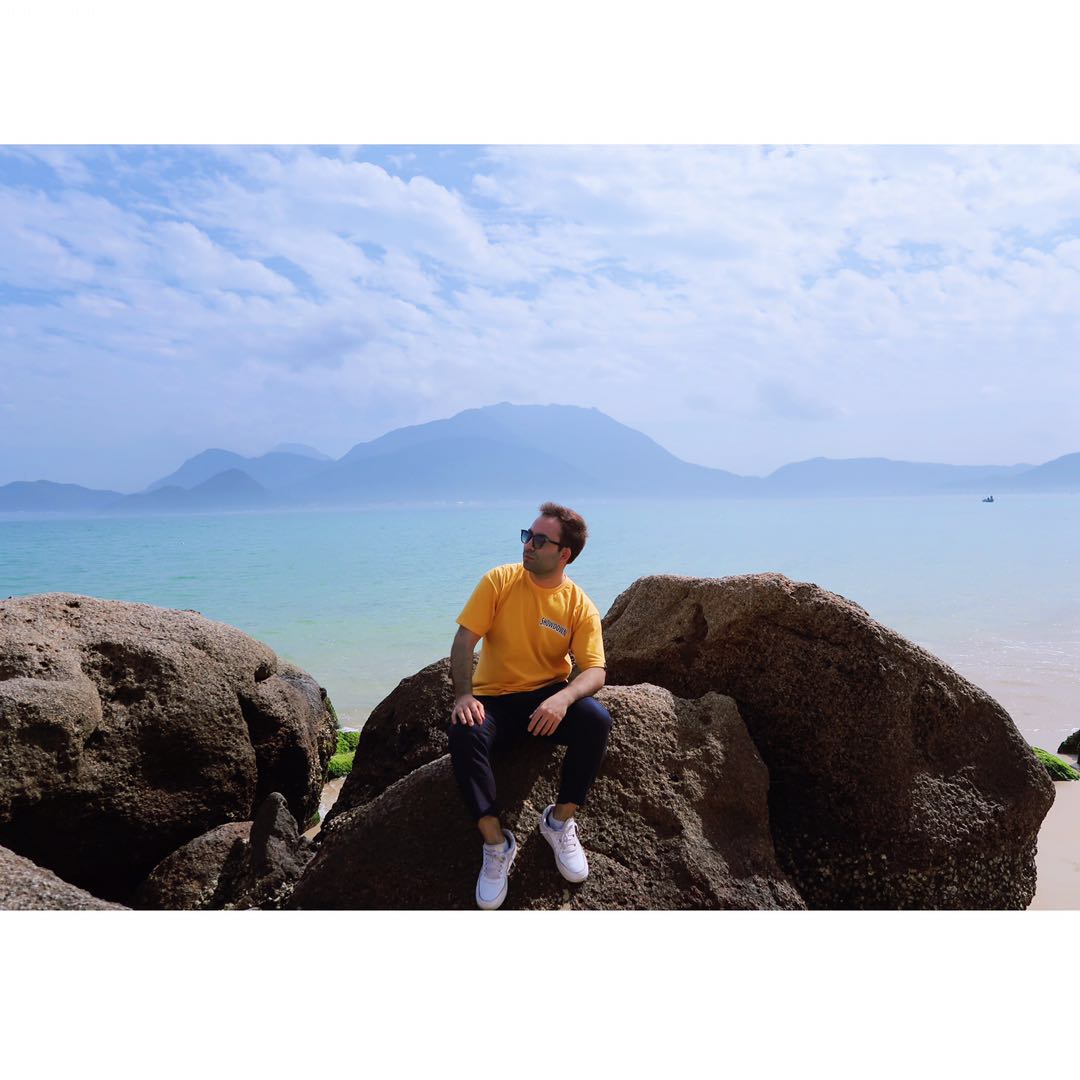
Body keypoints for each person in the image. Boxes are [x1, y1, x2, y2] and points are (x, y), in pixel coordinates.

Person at [448, 501, 612, 910]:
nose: (528, 545)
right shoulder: (500, 580)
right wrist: (464, 695)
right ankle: (496, 844)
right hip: (494, 702)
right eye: (528, 535)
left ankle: (559, 821)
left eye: (540, 540)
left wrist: (564, 697)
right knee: (463, 730)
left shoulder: (578, 605)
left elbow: (595, 671)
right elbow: (465, 641)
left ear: (564, 554)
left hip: (545, 701)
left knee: (596, 720)